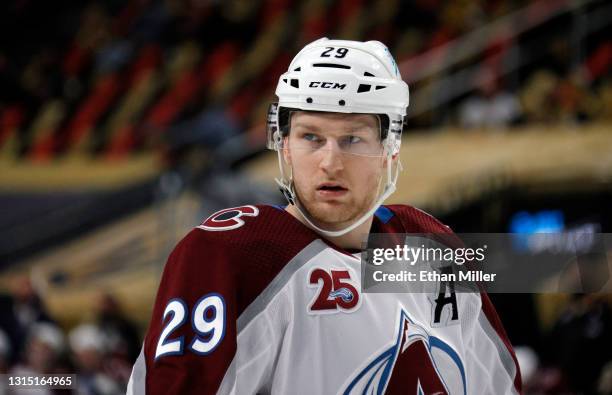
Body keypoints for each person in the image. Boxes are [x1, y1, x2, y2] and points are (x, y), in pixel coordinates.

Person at [128, 38, 521, 394]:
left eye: (352, 138)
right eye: (311, 137)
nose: (330, 163)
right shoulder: (230, 256)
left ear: (390, 148)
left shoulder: (431, 247)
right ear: (284, 145)